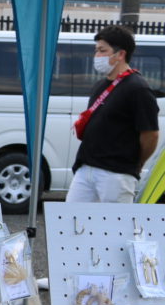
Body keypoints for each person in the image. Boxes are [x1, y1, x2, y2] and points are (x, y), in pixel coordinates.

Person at [66, 25, 159, 203]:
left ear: (120, 54)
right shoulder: (100, 85)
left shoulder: (138, 88)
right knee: (71, 218)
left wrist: (137, 162)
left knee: (115, 221)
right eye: (96, 50)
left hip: (116, 174)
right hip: (86, 168)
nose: (97, 56)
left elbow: (150, 134)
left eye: (102, 51)